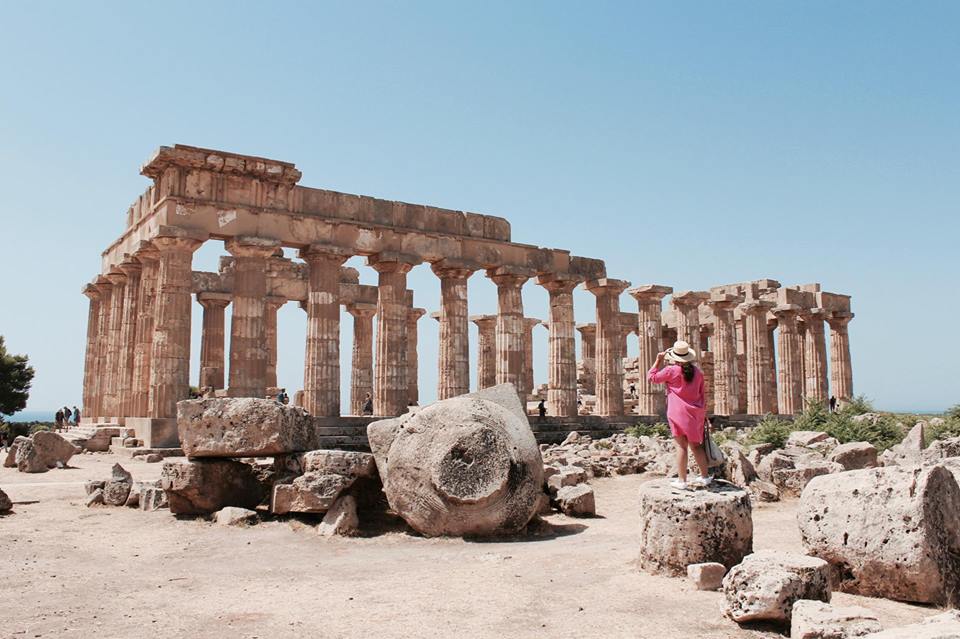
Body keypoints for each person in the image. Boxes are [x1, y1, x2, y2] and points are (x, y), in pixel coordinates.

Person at [647, 340, 710, 490]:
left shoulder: (671, 370)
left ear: (674, 356)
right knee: (696, 446)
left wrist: (657, 361)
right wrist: (704, 414)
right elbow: (703, 395)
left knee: (681, 446)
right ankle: (705, 477)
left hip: (678, 412)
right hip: (695, 412)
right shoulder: (698, 373)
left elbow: (652, 377)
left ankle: (682, 480)